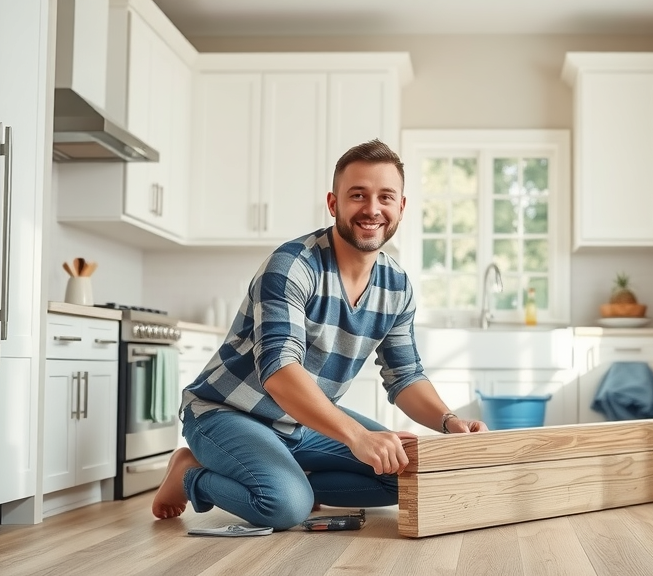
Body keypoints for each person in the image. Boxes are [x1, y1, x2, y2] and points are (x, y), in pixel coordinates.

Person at [151, 139, 488, 529]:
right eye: (357, 195)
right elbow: (278, 370)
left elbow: (405, 376)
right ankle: (191, 473)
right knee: (286, 507)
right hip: (226, 411)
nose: (372, 209)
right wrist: (356, 437)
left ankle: (289, 476)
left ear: (401, 207)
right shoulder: (293, 265)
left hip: (303, 423)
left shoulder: (397, 286)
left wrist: (449, 422)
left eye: (385, 197)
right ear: (334, 204)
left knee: (408, 470)